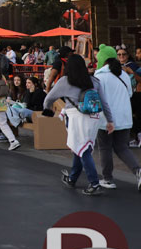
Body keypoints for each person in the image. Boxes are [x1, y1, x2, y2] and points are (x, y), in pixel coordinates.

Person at [43, 53, 112, 195]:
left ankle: (94, 183)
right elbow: (104, 103)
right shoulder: (94, 80)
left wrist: (47, 109)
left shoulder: (64, 81)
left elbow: (49, 98)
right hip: (94, 117)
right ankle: (72, 178)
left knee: (82, 149)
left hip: (76, 118)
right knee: (80, 147)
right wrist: (110, 120)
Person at [92, 45, 141, 190]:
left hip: (107, 120)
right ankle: (138, 171)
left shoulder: (99, 76)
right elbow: (130, 94)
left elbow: (97, 98)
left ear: (102, 59)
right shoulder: (124, 74)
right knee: (122, 147)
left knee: (105, 147)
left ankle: (107, 179)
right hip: (124, 117)